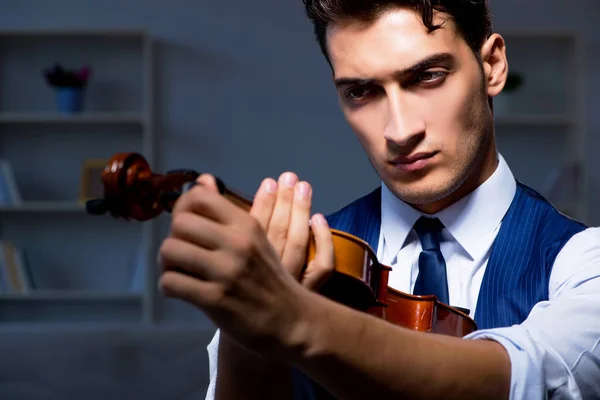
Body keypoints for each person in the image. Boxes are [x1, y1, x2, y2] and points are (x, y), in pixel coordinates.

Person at [157, 1, 600, 399]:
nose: (400, 131)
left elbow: (524, 379)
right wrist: (244, 332)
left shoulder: (583, 263)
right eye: (361, 92)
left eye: (428, 76)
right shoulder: (289, 261)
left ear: (493, 66)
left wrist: (299, 320)